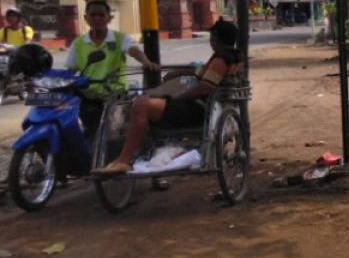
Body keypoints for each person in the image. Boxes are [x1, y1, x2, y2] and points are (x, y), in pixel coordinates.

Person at [97, 18, 242, 174]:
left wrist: (178, 97)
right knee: (146, 103)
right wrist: (178, 73)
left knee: (141, 105)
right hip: (210, 107)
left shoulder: (220, 60)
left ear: (216, 38)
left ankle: (123, 160)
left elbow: (205, 87)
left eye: (212, 37)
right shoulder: (233, 56)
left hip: (199, 110)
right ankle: (139, 156)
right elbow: (201, 73)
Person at [65, 0, 159, 138]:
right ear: (86, 18)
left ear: (109, 18)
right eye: (93, 15)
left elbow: (132, 49)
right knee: (90, 132)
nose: (97, 19)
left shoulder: (120, 38)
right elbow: (70, 70)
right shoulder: (78, 43)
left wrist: (145, 61)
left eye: (101, 15)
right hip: (88, 96)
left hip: (116, 94)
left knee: (114, 133)